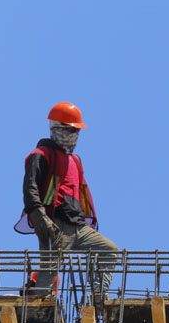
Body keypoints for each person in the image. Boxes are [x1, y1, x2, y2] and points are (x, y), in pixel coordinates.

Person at [15, 102, 119, 303]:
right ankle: (39, 306)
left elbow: (80, 193)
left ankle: (98, 293)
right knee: (50, 269)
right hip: (55, 225)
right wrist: (40, 217)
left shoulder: (75, 161)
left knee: (109, 250)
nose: (74, 136)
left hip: (78, 226)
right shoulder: (41, 155)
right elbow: (30, 188)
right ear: (56, 128)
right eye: (70, 130)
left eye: (76, 131)